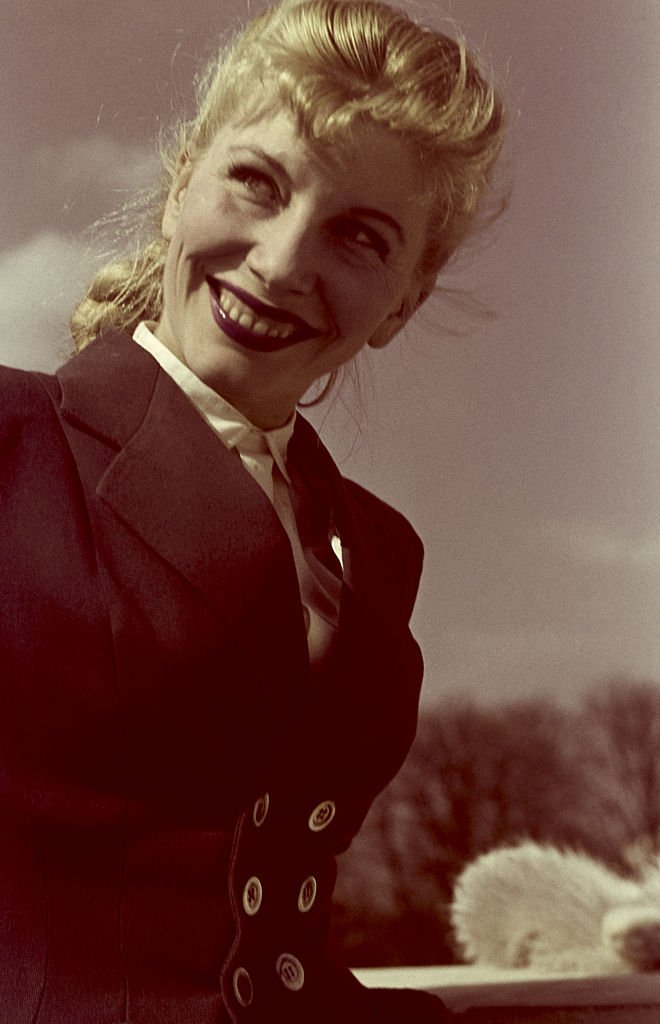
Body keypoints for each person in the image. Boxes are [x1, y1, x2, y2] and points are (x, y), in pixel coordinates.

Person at [0, 1, 504, 1020]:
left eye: (359, 238)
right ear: (184, 178)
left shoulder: (377, 547)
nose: (280, 261)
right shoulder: (13, 443)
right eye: (256, 183)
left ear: (403, 301)